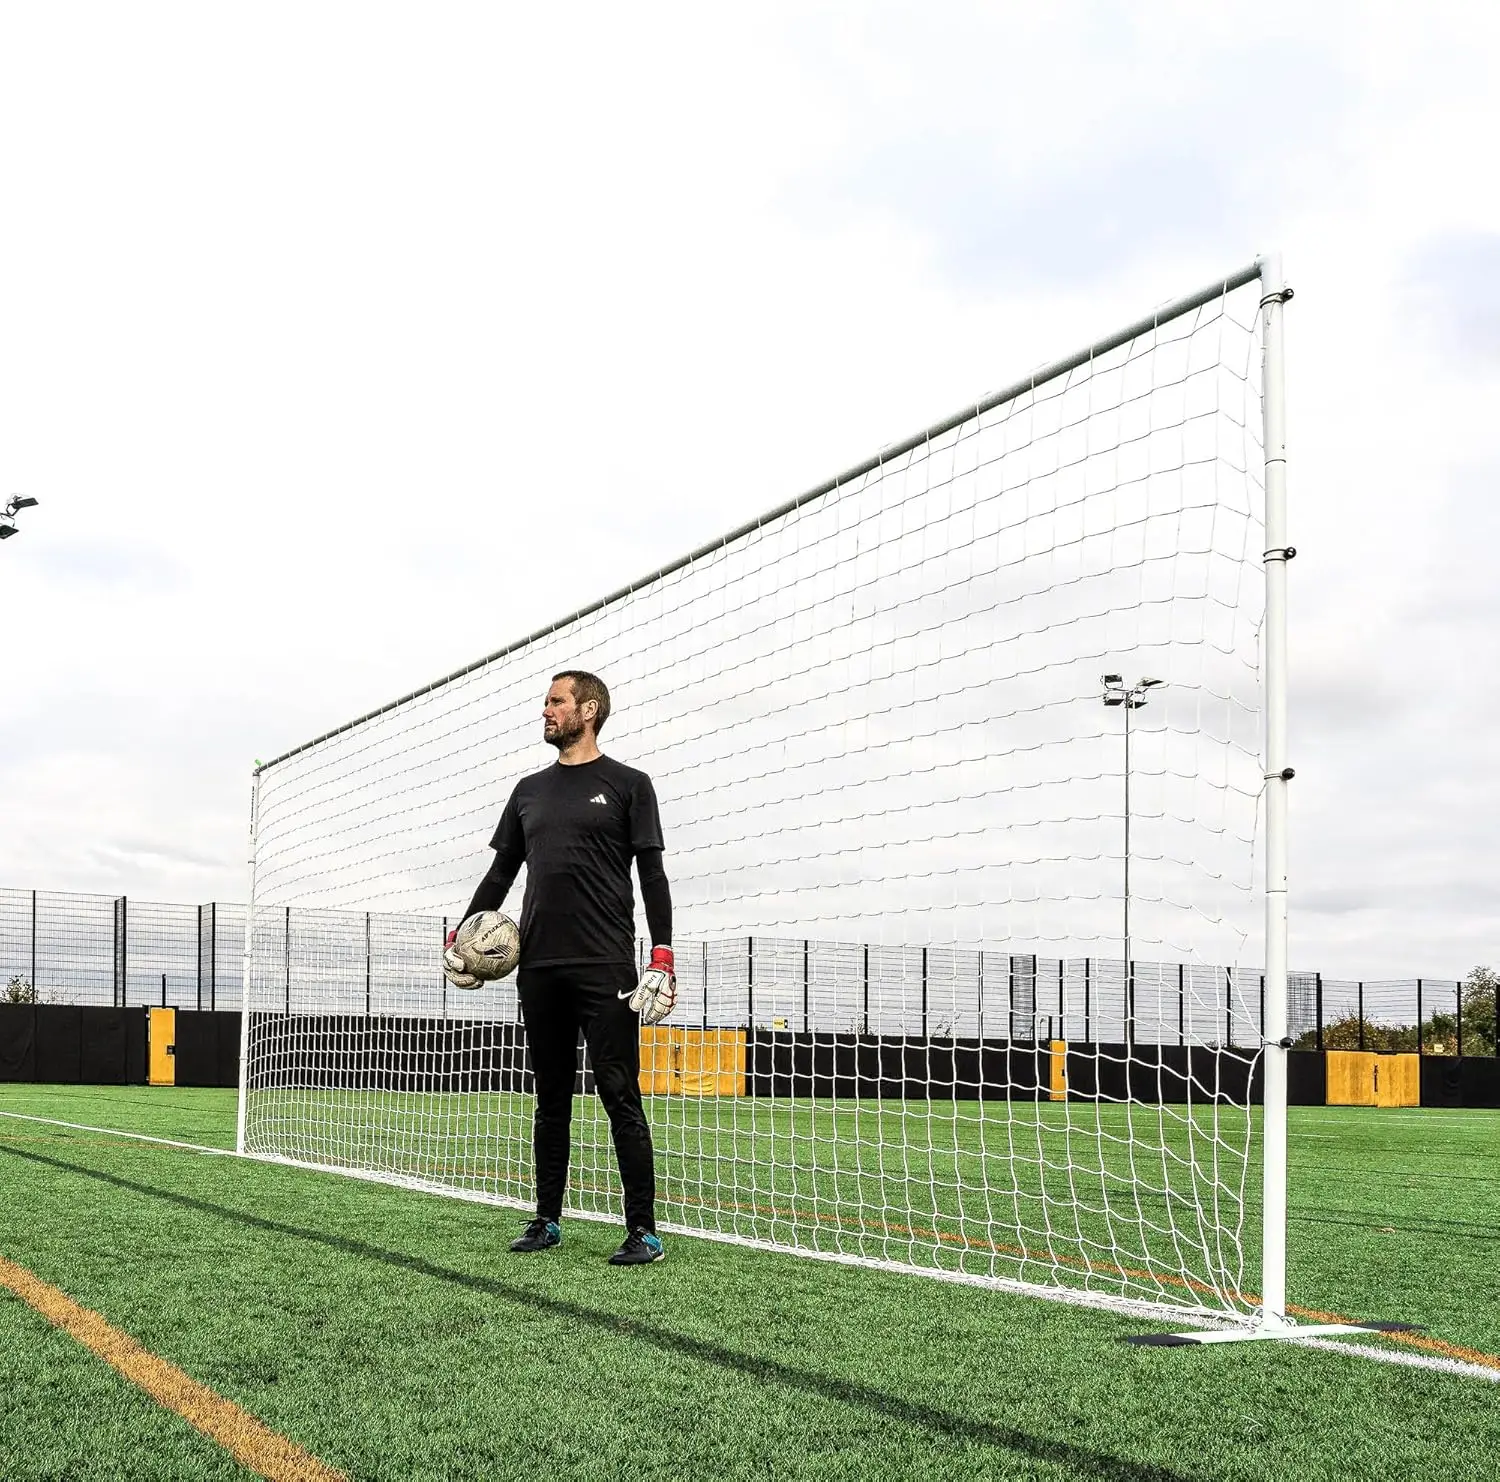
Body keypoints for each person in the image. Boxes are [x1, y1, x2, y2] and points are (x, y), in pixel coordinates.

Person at [450, 670, 676, 1265]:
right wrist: (462, 935)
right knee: (550, 1097)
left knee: (619, 1092)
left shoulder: (630, 785)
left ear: (590, 710)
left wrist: (662, 955)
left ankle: (643, 1231)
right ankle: (547, 1220)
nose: (545, 711)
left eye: (556, 701)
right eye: (546, 702)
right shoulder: (528, 790)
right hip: (540, 966)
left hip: (606, 964)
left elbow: (651, 875)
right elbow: (501, 877)